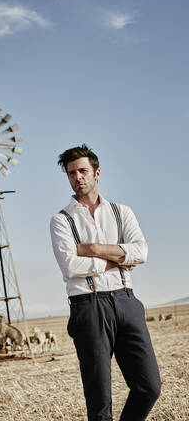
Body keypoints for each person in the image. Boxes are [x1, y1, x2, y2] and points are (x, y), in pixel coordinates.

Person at [50, 144, 161, 421]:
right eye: (72, 173)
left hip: (126, 301)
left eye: (83, 170)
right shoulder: (61, 220)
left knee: (149, 387)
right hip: (88, 305)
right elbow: (71, 267)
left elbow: (142, 252)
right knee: (99, 402)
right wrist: (118, 257)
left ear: (97, 173)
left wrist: (94, 248)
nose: (78, 177)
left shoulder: (122, 212)